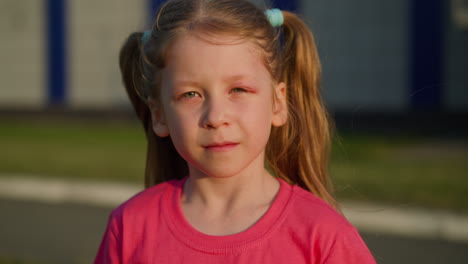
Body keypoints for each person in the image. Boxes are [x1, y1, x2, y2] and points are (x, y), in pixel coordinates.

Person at [95, 0, 376, 263]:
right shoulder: (130, 227)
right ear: (159, 115)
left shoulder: (324, 237)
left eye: (238, 90)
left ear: (277, 103)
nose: (216, 117)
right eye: (190, 94)